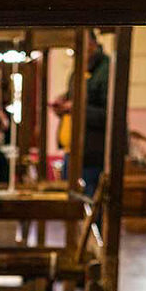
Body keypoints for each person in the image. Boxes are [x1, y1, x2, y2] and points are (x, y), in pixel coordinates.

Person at [51, 30, 110, 195]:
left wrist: (75, 108)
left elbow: (109, 115)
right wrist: (62, 106)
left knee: (86, 205)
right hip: (72, 152)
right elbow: (72, 101)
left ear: (90, 44)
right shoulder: (78, 70)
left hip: (91, 155)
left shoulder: (106, 70)